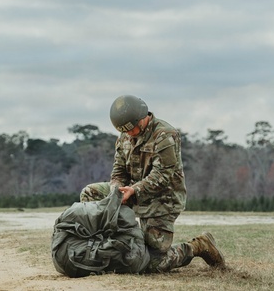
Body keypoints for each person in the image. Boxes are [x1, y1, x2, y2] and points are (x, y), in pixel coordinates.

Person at [80, 94, 226, 273]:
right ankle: (106, 248)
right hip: (131, 192)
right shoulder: (124, 137)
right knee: (90, 193)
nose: (129, 134)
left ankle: (199, 246)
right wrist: (115, 190)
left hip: (162, 199)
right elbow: (119, 170)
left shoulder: (165, 135)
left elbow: (163, 175)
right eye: (125, 130)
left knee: (153, 264)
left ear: (142, 119)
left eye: (132, 129)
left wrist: (133, 190)